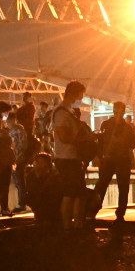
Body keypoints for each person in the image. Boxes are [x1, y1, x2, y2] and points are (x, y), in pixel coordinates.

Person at [48, 80, 92, 229]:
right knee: (70, 194)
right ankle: (68, 227)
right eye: (80, 93)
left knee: (79, 194)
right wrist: (79, 134)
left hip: (73, 158)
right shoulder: (61, 112)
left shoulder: (68, 110)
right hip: (66, 158)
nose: (81, 97)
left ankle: (76, 225)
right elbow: (63, 137)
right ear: (74, 93)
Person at [93, 100, 135, 222]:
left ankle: (94, 211)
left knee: (104, 185)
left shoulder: (108, 124)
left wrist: (100, 156)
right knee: (116, 187)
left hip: (114, 159)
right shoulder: (126, 127)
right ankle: (117, 213)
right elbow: (133, 145)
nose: (117, 112)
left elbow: (100, 142)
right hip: (116, 159)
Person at [25, 151, 63, 228]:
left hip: (50, 203)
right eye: (38, 162)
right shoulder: (31, 175)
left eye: (42, 162)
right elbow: (31, 190)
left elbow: (56, 193)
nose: (39, 165)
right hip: (38, 201)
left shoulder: (54, 176)